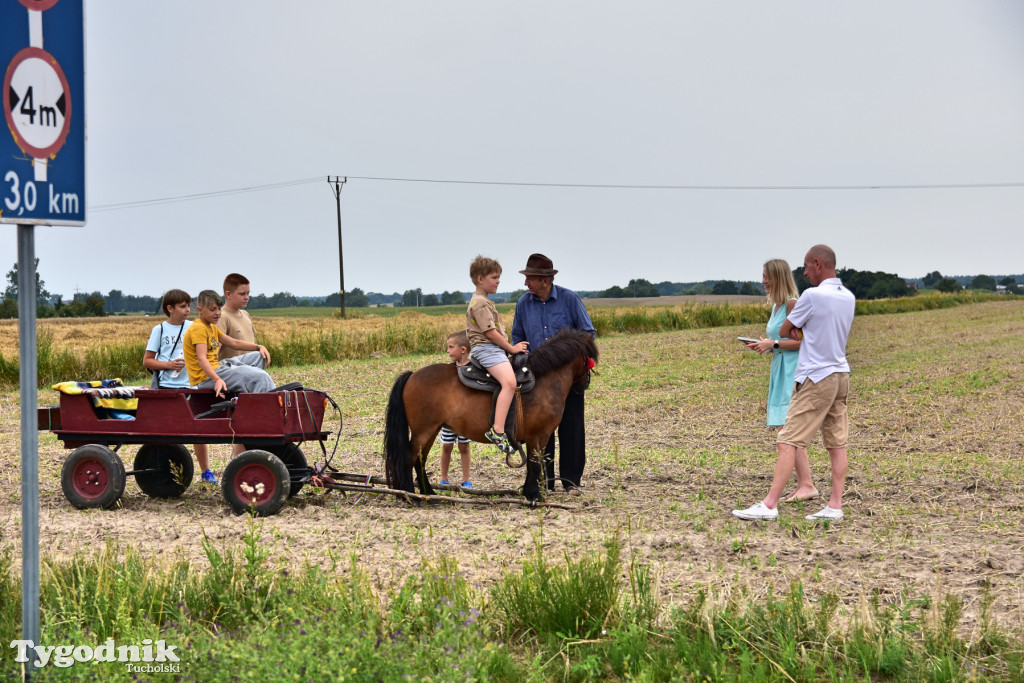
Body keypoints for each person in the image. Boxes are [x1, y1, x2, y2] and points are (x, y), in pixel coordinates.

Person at [733, 244, 855, 522]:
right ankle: (835, 506)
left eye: (807, 266)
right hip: (841, 373)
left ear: (818, 264)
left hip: (816, 375)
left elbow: (788, 330)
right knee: (836, 443)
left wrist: (797, 330)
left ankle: (769, 505)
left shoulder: (812, 296)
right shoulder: (848, 296)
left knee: (787, 439)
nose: (804, 272)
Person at [510, 253, 595, 496]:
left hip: (566, 380)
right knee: (541, 429)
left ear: (545, 280)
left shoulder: (569, 299)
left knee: (572, 427)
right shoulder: (523, 303)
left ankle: (571, 482)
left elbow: (588, 333)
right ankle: (545, 482)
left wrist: (562, 355)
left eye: (530, 279)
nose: (526, 284)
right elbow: (518, 338)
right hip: (536, 378)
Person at [743, 259, 817, 503]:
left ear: (778, 278)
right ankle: (805, 484)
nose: (763, 281)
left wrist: (772, 344)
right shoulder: (775, 307)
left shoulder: (792, 305)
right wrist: (766, 344)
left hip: (791, 372)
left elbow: (803, 341)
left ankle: (806, 485)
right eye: (762, 276)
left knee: (789, 431)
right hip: (779, 368)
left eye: (767, 277)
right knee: (787, 430)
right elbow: (781, 340)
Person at [143, 289, 215, 483]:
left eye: (188, 305)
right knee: (168, 432)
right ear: (170, 308)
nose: (188, 309)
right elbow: (147, 361)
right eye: (183, 306)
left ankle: (206, 472)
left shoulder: (195, 327)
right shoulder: (159, 330)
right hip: (167, 389)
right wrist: (169, 365)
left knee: (198, 431)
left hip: (193, 387)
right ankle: (167, 472)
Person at [466, 256, 529, 455]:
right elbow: (490, 333)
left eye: (499, 277)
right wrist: (511, 349)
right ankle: (498, 430)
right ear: (480, 279)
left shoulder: (483, 301)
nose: (498, 281)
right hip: (487, 349)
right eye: (494, 277)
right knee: (510, 383)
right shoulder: (480, 304)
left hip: (490, 349)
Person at [183, 290, 275, 400]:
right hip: (206, 377)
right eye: (212, 309)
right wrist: (217, 379)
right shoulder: (198, 328)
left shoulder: (210, 327)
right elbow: (201, 358)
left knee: (259, 356)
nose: (217, 313)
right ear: (199, 310)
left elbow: (233, 343)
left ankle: (248, 392)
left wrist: (258, 347)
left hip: (218, 367)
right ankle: (265, 407)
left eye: (219, 309)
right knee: (261, 376)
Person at [439, 330, 473, 488]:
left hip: (466, 418)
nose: (448, 351)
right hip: (450, 418)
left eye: (451, 347)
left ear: (463, 350)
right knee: (446, 446)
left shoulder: (474, 370)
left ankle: (466, 480)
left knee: (464, 447)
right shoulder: (448, 371)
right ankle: (444, 478)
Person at [217, 273, 257, 361]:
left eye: (248, 293)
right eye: (242, 294)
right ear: (228, 295)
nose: (247, 297)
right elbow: (214, 351)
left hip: (251, 370)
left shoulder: (246, 314)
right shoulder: (221, 317)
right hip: (232, 371)